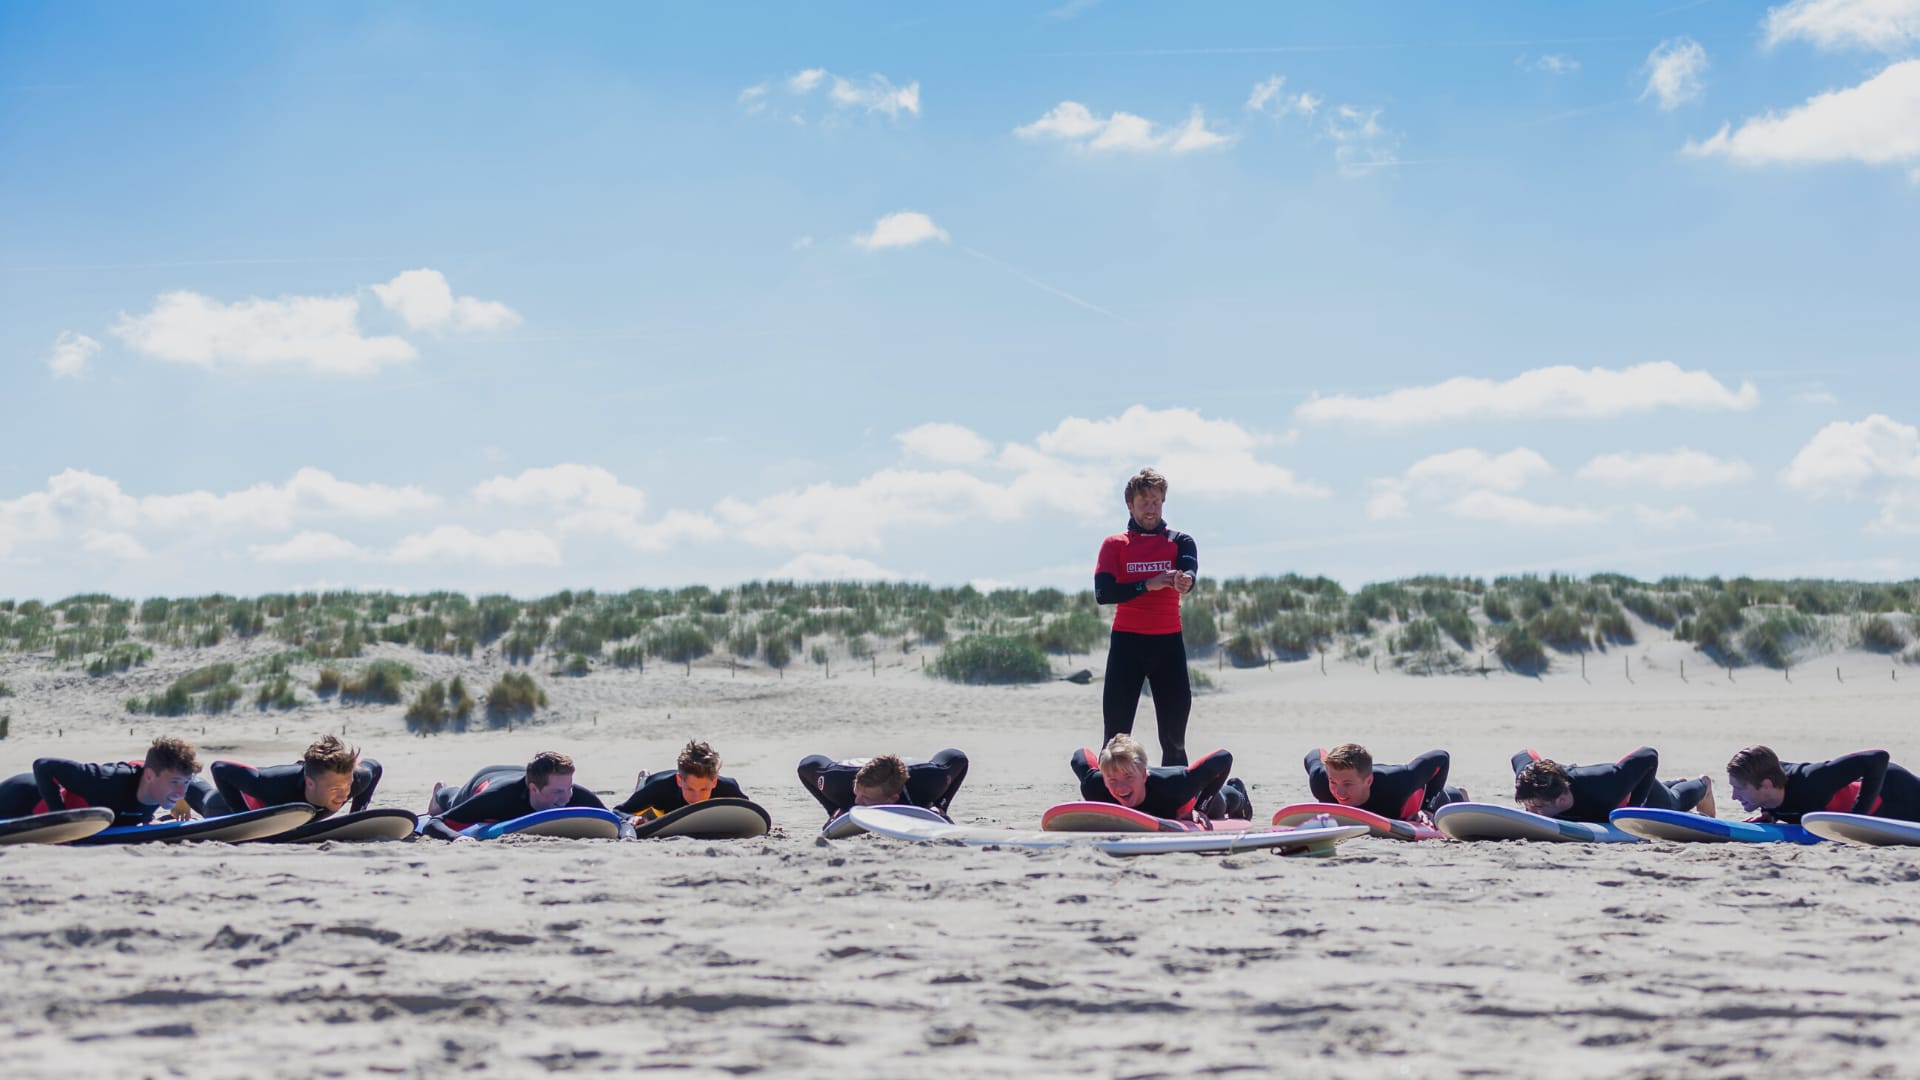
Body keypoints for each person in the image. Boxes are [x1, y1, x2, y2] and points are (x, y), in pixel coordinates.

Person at [1095, 468, 1199, 767]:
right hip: (1127, 645)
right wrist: (1147, 584)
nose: (1151, 509)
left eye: (1156, 502)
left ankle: (1175, 792)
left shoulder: (1180, 541)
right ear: (1130, 505)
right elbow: (1103, 593)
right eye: (1144, 503)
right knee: (1115, 737)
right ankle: (1109, 791)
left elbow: (1189, 570)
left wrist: (1185, 581)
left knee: (1174, 740)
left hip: (1168, 645)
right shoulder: (1115, 544)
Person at [0, 736, 200, 826]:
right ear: (149, 776)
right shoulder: (106, 779)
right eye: (175, 782)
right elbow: (43, 765)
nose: (181, 792)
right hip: (23, 798)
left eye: (186, 783)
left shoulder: (159, 787)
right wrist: (59, 820)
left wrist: (175, 806)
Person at [420, 751, 605, 839]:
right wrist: (458, 839)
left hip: (520, 773)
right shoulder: (498, 798)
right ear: (534, 789)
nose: (566, 798)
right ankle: (440, 792)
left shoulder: (570, 792)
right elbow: (434, 823)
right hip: (487, 780)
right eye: (557, 792)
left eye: (569, 788)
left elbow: (614, 819)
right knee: (454, 800)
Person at [1069, 733, 1250, 823]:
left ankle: (1238, 791)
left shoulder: (1177, 787)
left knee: (1222, 802)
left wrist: (1200, 808)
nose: (1120, 787)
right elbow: (1079, 756)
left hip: (1190, 798)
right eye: (1112, 780)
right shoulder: (1095, 786)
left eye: (1128, 777)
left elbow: (1223, 757)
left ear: (1143, 774)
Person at [193, 735, 382, 818]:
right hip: (227, 803)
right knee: (205, 798)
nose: (344, 795)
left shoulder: (356, 779)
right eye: (335, 789)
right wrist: (242, 816)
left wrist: (356, 815)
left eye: (347, 785)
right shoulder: (274, 785)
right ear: (310, 783)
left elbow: (375, 767)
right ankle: (188, 782)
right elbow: (220, 768)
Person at [1725, 745, 1920, 824]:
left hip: (1898, 793)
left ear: (1766, 785)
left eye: (1739, 789)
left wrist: (1856, 819)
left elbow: (1878, 757)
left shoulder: (1812, 780)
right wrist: (1771, 812)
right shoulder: (1769, 791)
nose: (1734, 796)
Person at [1511, 747, 1714, 823]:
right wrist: (1535, 772)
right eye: (1527, 806)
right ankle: (1674, 783)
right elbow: (1522, 755)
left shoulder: (1604, 785)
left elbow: (1649, 755)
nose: (1529, 812)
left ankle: (1703, 785)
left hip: (1627, 793)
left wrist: (1634, 810)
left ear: (1561, 799)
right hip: (1620, 783)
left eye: (1536, 807)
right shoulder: (1530, 782)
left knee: (1673, 803)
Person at [1304, 744, 1465, 823]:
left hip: (1417, 798)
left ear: (1369, 780)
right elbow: (1315, 753)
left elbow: (1441, 757)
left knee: (1450, 799)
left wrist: (1427, 809)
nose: (1338, 791)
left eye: (1347, 784)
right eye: (1333, 782)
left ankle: (1460, 794)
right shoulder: (1320, 780)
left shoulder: (1398, 782)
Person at [796, 749, 969, 820]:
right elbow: (807, 765)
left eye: (867, 798)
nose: (856, 802)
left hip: (917, 772)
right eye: (857, 793)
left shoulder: (929, 783)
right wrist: (834, 809)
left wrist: (940, 806)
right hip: (847, 772)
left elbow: (957, 757)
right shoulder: (837, 785)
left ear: (893, 798)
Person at [616, 740, 747, 823]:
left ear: (714, 782)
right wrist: (631, 818)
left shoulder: (729, 787)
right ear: (679, 781)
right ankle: (643, 779)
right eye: (690, 789)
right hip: (654, 787)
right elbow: (619, 811)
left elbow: (751, 813)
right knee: (645, 808)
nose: (697, 798)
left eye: (703, 789)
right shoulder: (660, 788)